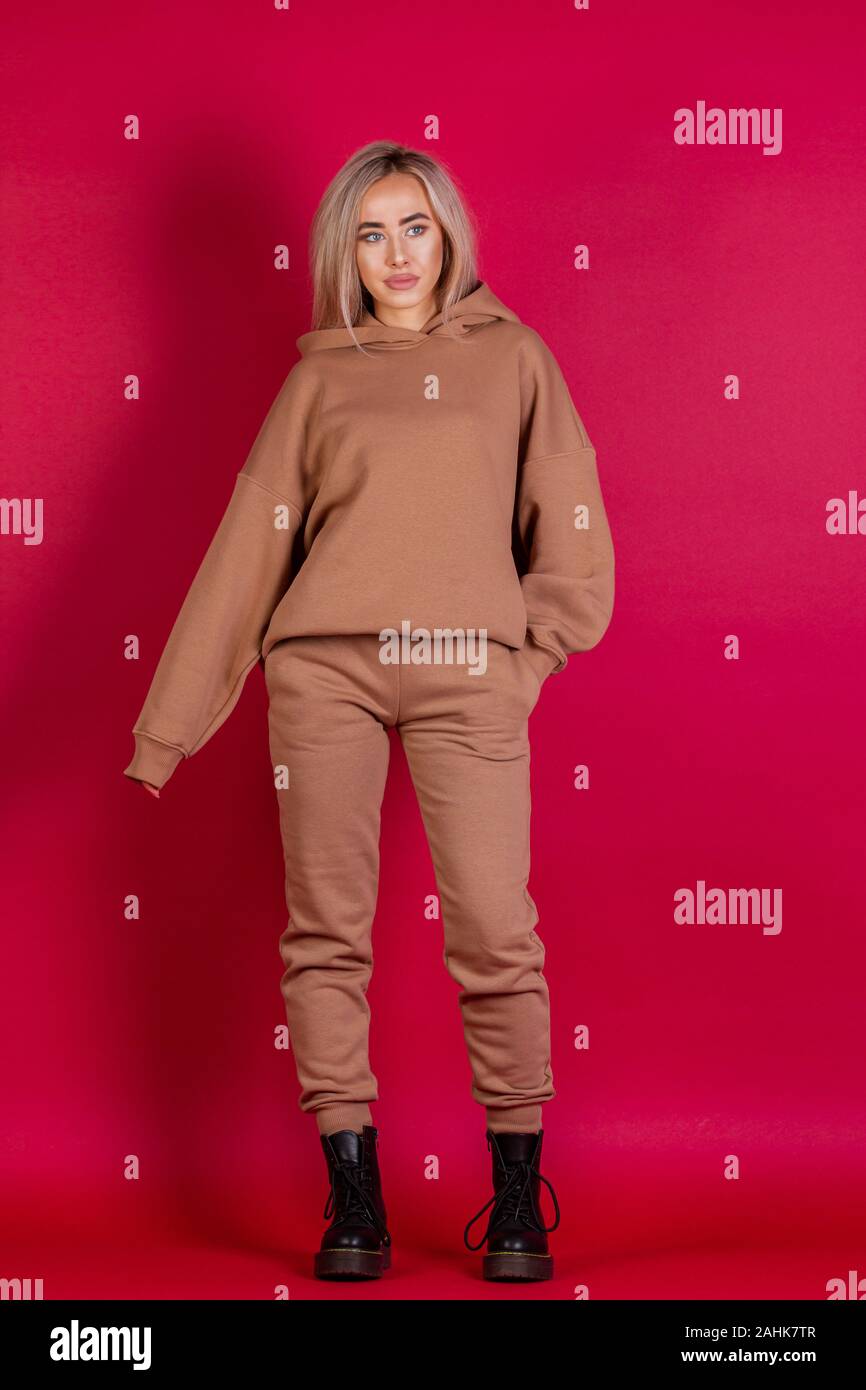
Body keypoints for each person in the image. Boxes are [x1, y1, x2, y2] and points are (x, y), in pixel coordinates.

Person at [123, 140, 615, 1283]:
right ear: (344, 253)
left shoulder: (514, 362)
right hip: (325, 675)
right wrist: (168, 731)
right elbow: (247, 558)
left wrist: (522, 659)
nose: (395, 255)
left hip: (465, 669)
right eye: (369, 233)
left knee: (494, 926)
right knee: (325, 932)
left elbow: (572, 535)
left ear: (449, 236)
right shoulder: (318, 378)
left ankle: (514, 1204)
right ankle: (355, 1201)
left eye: (414, 228)